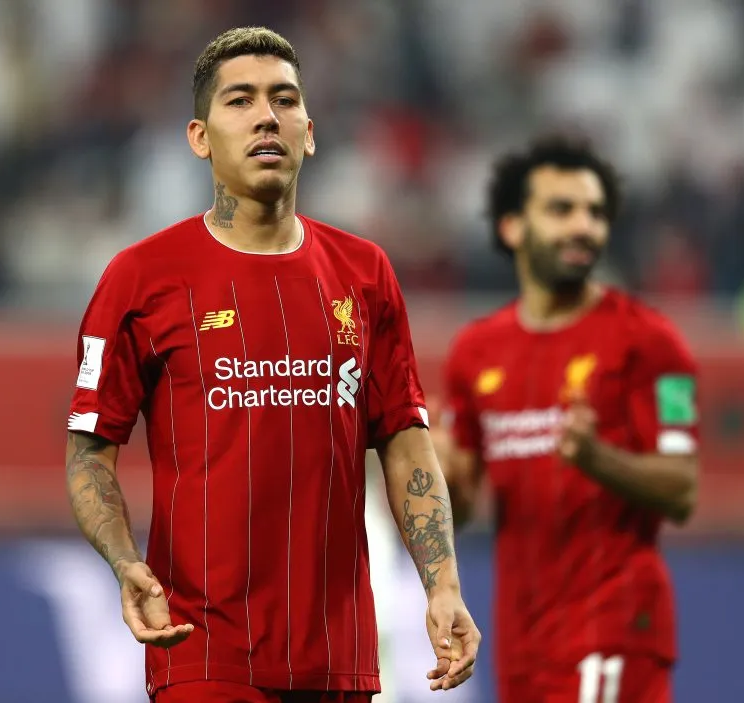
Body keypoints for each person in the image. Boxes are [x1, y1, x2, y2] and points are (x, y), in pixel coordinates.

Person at [64, 26, 480, 703]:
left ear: (309, 132)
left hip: (340, 661)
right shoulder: (141, 279)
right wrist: (123, 559)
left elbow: (405, 439)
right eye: (240, 101)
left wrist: (443, 584)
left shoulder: (365, 273)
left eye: (284, 100)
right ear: (199, 137)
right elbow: (89, 451)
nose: (266, 116)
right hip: (203, 653)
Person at [442, 135, 700, 703]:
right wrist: (444, 479)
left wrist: (595, 458)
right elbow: (459, 509)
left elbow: (683, 490)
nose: (584, 226)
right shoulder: (475, 354)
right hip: (520, 636)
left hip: (614, 625)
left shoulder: (654, 345)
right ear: (512, 227)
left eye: (596, 212)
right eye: (562, 209)